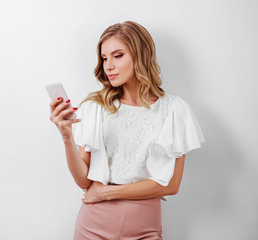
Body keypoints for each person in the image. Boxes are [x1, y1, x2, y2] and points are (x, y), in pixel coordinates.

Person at [49, 21, 205, 240]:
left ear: (141, 55)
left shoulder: (174, 110)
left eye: (118, 55)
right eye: (104, 58)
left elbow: (171, 185)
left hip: (145, 228)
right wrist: (66, 138)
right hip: (93, 225)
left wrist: (107, 192)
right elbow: (84, 182)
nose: (108, 66)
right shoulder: (95, 108)